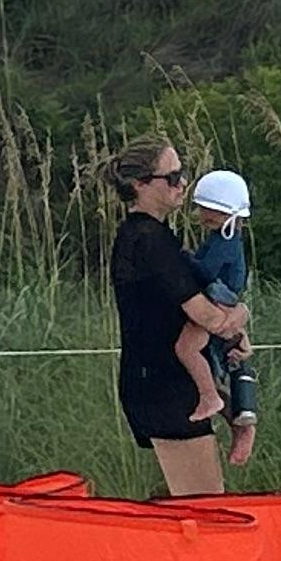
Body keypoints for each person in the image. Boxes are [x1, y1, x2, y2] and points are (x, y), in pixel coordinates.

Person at [103, 141, 250, 496]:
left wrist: (231, 328)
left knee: (194, 502)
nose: (182, 184)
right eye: (171, 177)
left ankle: (235, 415)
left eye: (181, 175)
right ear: (140, 184)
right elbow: (206, 315)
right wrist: (240, 315)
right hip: (163, 387)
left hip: (165, 383)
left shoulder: (155, 238)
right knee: (203, 505)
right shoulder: (147, 241)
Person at [182, 166, 261, 465]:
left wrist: (181, 259)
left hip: (218, 299)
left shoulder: (225, 244)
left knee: (187, 349)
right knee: (216, 359)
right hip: (219, 299)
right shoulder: (222, 240)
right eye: (203, 208)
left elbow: (205, 272)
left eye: (211, 210)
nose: (204, 215)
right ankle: (237, 417)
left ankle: (210, 397)